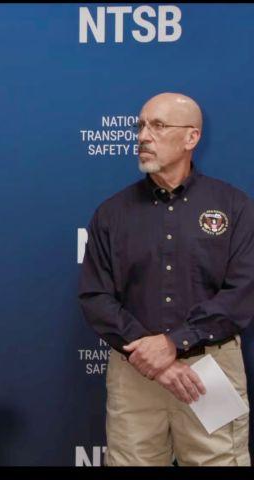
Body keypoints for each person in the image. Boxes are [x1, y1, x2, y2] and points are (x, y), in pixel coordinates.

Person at [78, 92, 253, 466]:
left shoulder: (235, 207)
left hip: (211, 370)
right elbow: (96, 297)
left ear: (191, 137)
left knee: (219, 461)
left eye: (157, 125)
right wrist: (151, 355)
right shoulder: (112, 214)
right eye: (141, 125)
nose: (143, 135)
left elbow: (243, 292)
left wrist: (175, 342)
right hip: (135, 371)